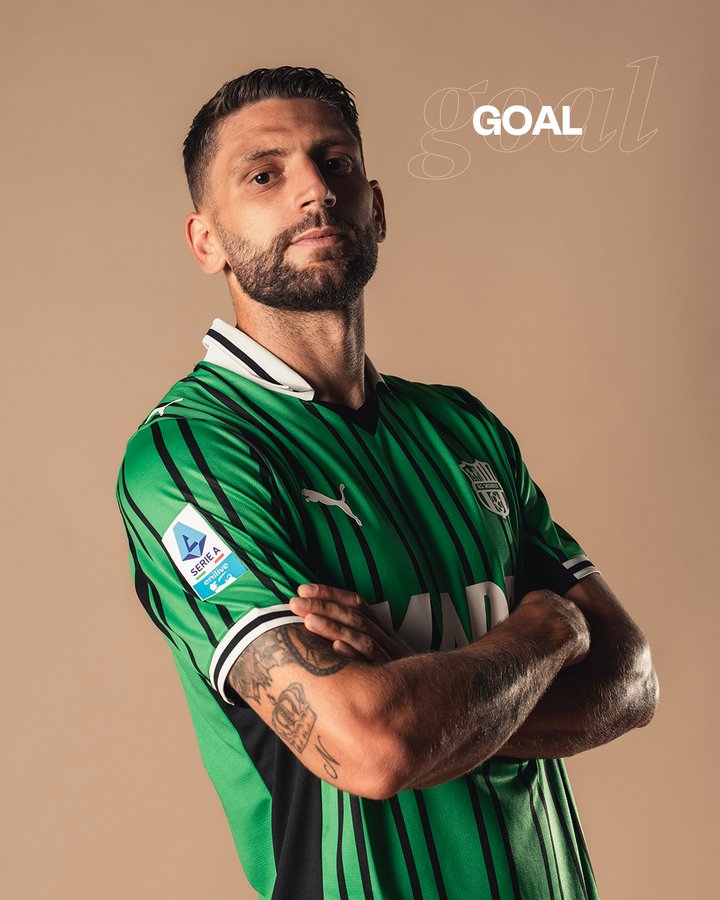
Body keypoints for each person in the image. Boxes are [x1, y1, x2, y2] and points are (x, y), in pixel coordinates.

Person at [116, 66, 658, 900]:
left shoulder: (462, 428)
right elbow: (373, 748)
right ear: (206, 240)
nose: (313, 192)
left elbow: (629, 679)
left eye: (334, 163)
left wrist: (428, 686)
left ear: (375, 207)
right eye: (265, 175)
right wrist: (545, 634)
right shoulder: (192, 455)